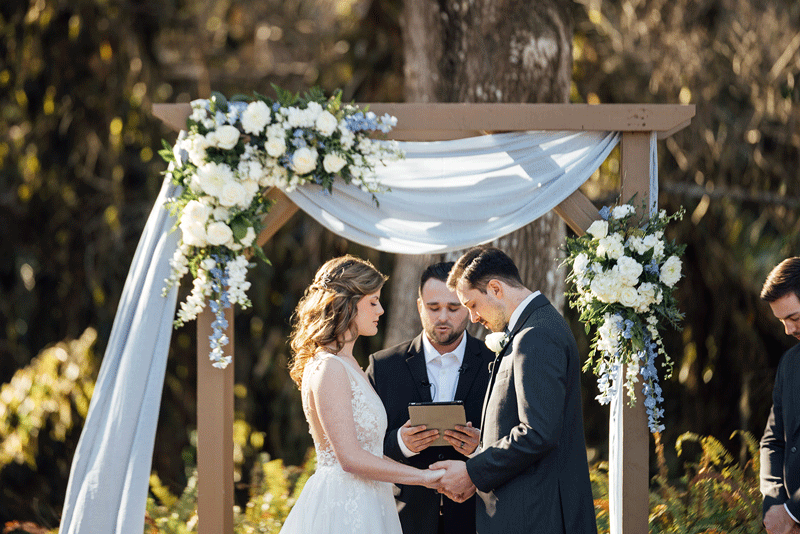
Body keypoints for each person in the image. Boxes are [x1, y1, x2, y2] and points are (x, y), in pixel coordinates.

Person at [430, 246, 597, 534]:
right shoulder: (532, 328)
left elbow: (538, 433)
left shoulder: (536, 335)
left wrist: (472, 472)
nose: (473, 318)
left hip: (535, 518)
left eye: (472, 304)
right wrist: (484, 444)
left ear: (495, 289)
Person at [279, 255, 444, 534]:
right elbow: (350, 458)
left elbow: (369, 453)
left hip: (370, 500)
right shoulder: (329, 367)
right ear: (348, 304)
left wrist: (425, 475)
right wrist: (421, 477)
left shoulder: (350, 364)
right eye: (373, 302)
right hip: (343, 508)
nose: (381, 310)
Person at [366, 261, 493, 534]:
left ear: (468, 306)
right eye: (433, 308)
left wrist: (479, 448)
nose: (443, 317)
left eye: (453, 308)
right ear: (419, 306)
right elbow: (362, 445)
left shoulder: (495, 362)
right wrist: (401, 442)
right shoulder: (384, 366)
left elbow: (517, 441)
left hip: (477, 520)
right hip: (405, 520)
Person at [759, 257, 800, 534]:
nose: (789, 329)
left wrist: (792, 512)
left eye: (794, 318)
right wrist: (775, 504)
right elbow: (773, 441)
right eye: (782, 321)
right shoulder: (789, 363)